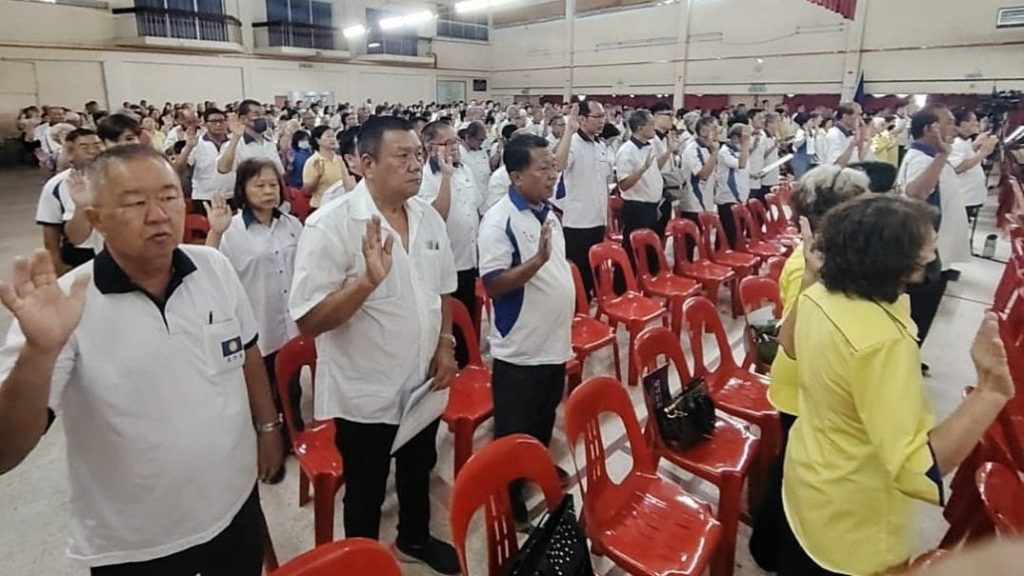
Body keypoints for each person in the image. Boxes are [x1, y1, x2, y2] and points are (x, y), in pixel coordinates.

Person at [0, 145, 283, 574]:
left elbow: (246, 352)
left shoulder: (214, 268)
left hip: (234, 507)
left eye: (169, 197)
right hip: (137, 543)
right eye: (135, 203)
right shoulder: (65, 304)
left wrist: (268, 428)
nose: (158, 215)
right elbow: (6, 451)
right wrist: (39, 353)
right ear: (95, 218)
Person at [778, 194, 1013, 575]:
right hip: (851, 513)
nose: (932, 256)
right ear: (891, 261)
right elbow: (916, 467)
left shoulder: (821, 291)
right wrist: (990, 391)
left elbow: (788, 345)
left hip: (809, 476)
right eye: (926, 251)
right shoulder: (880, 342)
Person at [289, 116, 459, 575]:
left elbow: (443, 289)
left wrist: (445, 343)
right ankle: (361, 563)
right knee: (365, 488)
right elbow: (308, 319)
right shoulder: (331, 225)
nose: (416, 165)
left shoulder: (426, 217)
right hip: (366, 392)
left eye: (419, 155)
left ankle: (414, 538)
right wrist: (366, 283)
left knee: (418, 466)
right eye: (402, 157)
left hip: (422, 382)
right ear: (366, 164)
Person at [748, 165, 870, 571]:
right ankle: (770, 544)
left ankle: (768, 542)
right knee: (793, 469)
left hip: (816, 378)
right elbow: (795, 339)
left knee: (793, 465)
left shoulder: (838, 258)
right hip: (801, 381)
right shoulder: (807, 265)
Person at [477, 133, 573, 528]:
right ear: (517, 176)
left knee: (543, 415)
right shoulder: (499, 221)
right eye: (544, 168)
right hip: (521, 348)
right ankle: (508, 497)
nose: (553, 174)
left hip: (554, 341)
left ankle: (535, 466)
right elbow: (494, 284)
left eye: (554, 166)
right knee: (513, 426)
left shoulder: (546, 210)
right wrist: (536, 262)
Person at [206, 159, 304, 470]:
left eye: (273, 184)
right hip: (257, 322)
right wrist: (215, 233)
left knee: (292, 384)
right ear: (243, 190)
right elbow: (209, 271)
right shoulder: (232, 230)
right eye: (259, 185)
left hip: (291, 321)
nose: (268, 191)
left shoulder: (292, 225)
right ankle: (265, 439)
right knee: (261, 388)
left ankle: (293, 433)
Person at [897, 106, 971, 351]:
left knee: (923, 310)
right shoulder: (924, 158)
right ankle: (907, 357)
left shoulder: (928, 156)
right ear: (930, 128)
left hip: (934, 248)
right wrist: (942, 155)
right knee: (920, 310)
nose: (954, 128)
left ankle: (910, 355)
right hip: (926, 250)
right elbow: (916, 191)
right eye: (949, 122)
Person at [418, 120, 484, 367]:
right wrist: (446, 177)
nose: (454, 147)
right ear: (429, 147)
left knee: (467, 317)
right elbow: (437, 217)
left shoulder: (465, 171)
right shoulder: (425, 178)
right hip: (445, 263)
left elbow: (474, 208)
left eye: (455, 141)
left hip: (469, 258)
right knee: (448, 322)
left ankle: (468, 365)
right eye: (447, 143)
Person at [554, 101, 613, 299]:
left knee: (592, 273)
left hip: (598, 220)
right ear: (582, 118)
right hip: (578, 222)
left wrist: (608, 217)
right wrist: (568, 132)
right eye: (597, 116)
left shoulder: (601, 145)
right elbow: (559, 165)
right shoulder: (572, 143)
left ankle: (588, 306)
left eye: (603, 116)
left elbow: (604, 185)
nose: (602, 121)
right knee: (577, 275)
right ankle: (577, 309)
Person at [35, 128, 104, 274]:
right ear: (71, 152)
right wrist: (57, 265)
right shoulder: (57, 185)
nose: (93, 151)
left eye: (97, 145)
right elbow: (51, 232)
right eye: (84, 147)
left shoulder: (117, 178)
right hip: (79, 256)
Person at [615, 110, 675, 270]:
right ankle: (624, 283)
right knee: (631, 251)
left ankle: (651, 278)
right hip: (636, 208)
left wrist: (669, 151)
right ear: (640, 127)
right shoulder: (627, 151)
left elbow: (654, 168)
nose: (654, 128)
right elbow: (623, 184)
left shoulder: (649, 146)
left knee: (651, 249)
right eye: (651, 124)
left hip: (652, 206)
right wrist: (642, 169)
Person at [177, 107, 233, 213]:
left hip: (230, 195)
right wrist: (188, 147)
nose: (218, 124)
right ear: (205, 124)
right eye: (213, 121)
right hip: (204, 197)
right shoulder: (196, 143)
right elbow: (179, 169)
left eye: (222, 121)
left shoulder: (233, 143)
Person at [950, 108, 998, 221]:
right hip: (963, 197)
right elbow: (957, 167)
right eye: (974, 120)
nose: (977, 123)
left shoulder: (964, 141)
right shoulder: (955, 142)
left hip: (968, 197)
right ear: (963, 124)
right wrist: (983, 153)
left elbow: (965, 156)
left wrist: (975, 145)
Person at [218, 99, 285, 177]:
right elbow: (223, 169)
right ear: (243, 119)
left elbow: (280, 172)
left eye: (263, 114)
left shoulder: (270, 142)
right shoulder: (235, 145)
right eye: (256, 114)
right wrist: (236, 137)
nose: (262, 118)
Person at [715, 123, 753, 249]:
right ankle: (721, 255)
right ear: (735, 138)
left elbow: (743, 171)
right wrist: (746, 144)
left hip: (741, 197)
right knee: (728, 234)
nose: (748, 139)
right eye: (745, 136)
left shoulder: (741, 151)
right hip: (728, 199)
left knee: (738, 233)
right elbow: (741, 164)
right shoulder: (725, 152)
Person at [823, 102, 867, 166]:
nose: (860, 119)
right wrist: (852, 144)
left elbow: (860, 157)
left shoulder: (851, 133)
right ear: (845, 117)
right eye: (858, 115)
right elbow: (835, 165)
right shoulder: (834, 135)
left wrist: (862, 131)